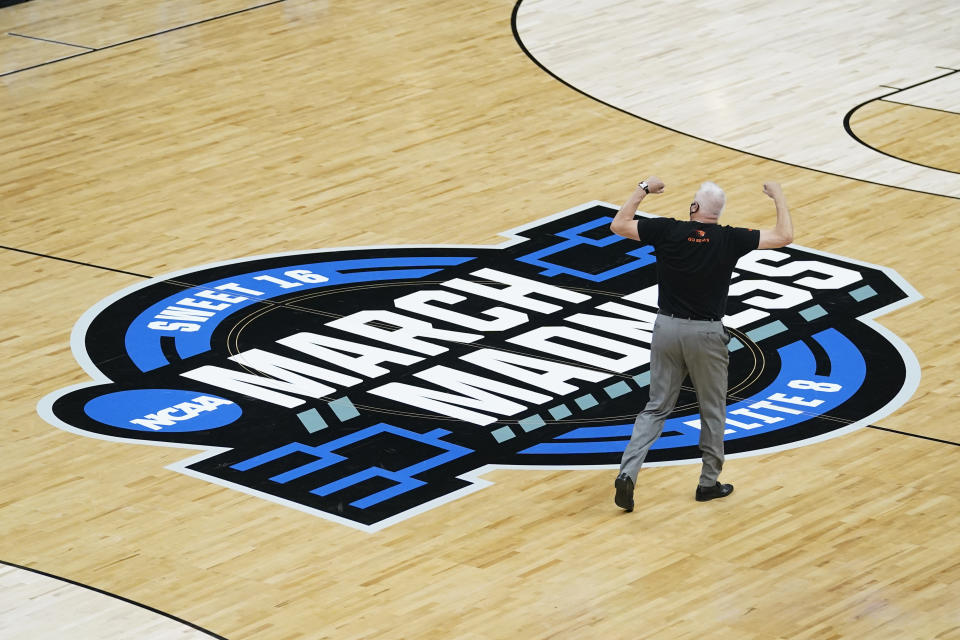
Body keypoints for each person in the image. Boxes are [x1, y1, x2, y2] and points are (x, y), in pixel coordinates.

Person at [610, 176, 794, 511]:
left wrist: (643, 188)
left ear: (694, 207)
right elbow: (784, 236)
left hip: (665, 327)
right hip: (707, 335)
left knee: (656, 406)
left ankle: (628, 473)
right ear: (717, 213)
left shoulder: (667, 230)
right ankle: (708, 483)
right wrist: (778, 196)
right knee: (712, 409)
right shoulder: (729, 238)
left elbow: (619, 224)